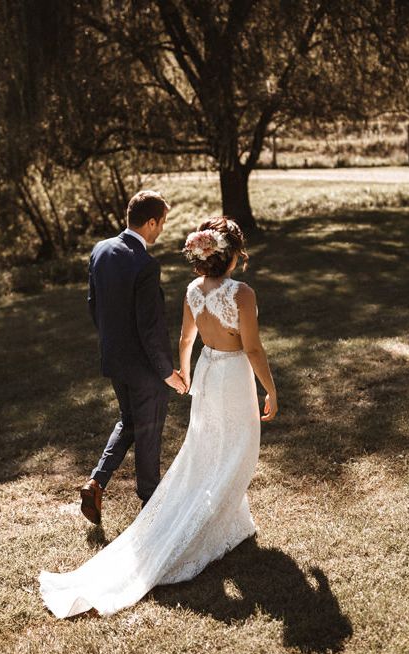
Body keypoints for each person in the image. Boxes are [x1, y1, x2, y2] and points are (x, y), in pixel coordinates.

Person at [39, 216, 278, 618]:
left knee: (208, 447)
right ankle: (207, 525)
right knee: (238, 448)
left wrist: (184, 374)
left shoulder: (192, 291)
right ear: (232, 255)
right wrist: (270, 389)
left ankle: (235, 521)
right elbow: (253, 349)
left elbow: (186, 338)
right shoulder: (242, 293)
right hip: (234, 374)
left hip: (206, 370)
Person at [81, 190, 187, 525]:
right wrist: (166, 371)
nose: (161, 231)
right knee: (148, 432)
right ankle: (151, 510)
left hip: (114, 360)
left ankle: (96, 482)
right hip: (144, 368)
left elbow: (93, 305)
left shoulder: (101, 250)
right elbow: (151, 327)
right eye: (162, 224)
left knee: (129, 421)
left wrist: (112, 342)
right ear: (151, 221)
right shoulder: (145, 264)